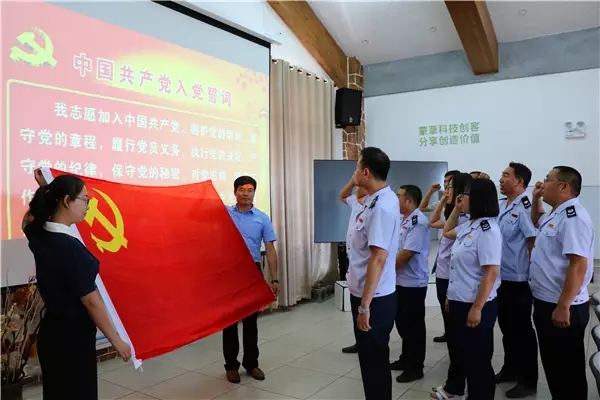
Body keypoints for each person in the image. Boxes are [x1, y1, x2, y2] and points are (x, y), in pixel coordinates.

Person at [24, 171, 131, 400]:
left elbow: (29, 220)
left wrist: (46, 190)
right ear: (66, 201)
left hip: (51, 335)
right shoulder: (69, 248)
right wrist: (116, 341)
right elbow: (91, 302)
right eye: (85, 199)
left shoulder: (39, 235)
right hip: (73, 341)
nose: (88, 206)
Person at [529, 166, 594, 400]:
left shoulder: (573, 217)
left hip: (562, 306)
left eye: (547, 180)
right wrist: (536, 198)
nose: (543, 183)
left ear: (563, 186)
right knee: (555, 367)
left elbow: (578, 264)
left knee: (567, 371)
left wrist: (563, 305)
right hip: (547, 301)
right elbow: (537, 219)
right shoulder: (557, 213)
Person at [347, 147, 401, 400]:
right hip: (364, 292)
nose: (355, 172)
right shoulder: (373, 200)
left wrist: (365, 306)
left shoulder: (382, 206)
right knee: (369, 360)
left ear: (366, 172)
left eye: (357, 167)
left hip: (374, 299)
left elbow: (378, 258)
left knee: (375, 361)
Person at [443, 178, 501, 400]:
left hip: (476, 304)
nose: (460, 197)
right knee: (465, 355)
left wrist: (477, 308)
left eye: (464, 194)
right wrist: (457, 209)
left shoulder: (488, 230)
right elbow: (447, 231)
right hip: (459, 300)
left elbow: (491, 272)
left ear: (476, 198)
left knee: (478, 360)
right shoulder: (469, 225)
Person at [223, 175, 279, 383]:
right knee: (229, 321)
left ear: (254, 193)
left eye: (249, 190)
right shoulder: (224, 214)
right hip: (228, 271)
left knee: (250, 322)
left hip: (252, 271)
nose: (245, 194)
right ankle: (231, 366)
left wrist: (275, 279)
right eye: (241, 190)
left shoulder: (262, 218)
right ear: (235, 192)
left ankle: (251, 363)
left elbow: (270, 249)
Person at [495, 162, 539, 398]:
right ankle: (510, 369)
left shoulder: (525, 207)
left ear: (520, 181)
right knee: (507, 329)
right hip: (502, 278)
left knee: (521, 332)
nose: (500, 179)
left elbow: (533, 243)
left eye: (506, 175)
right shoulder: (503, 205)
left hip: (519, 280)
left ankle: (528, 380)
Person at [429, 172, 473, 400]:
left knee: (458, 336)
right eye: (446, 186)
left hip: (452, 278)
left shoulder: (465, 219)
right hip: (444, 274)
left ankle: (456, 386)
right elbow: (433, 222)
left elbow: (446, 231)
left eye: (450, 187)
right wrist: (447, 202)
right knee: (453, 332)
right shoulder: (454, 214)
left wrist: (454, 206)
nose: (446, 190)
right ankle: (454, 383)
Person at [390, 184, 430, 383]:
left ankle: (415, 367)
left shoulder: (418, 221)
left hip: (413, 283)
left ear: (408, 200)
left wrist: (385, 270)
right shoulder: (401, 218)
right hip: (399, 280)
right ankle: (406, 359)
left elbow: (406, 254)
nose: (395, 199)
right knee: (402, 323)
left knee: (413, 327)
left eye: (399, 196)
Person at [420, 170, 461, 344]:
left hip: (453, 267)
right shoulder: (446, 207)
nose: (446, 186)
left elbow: (437, 224)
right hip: (442, 265)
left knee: (452, 308)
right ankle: (449, 334)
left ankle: (454, 338)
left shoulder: (462, 215)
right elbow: (423, 209)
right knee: (444, 305)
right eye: (445, 183)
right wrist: (439, 196)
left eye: (449, 184)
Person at [339, 177, 368, 354]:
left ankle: (367, 341)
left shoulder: (371, 206)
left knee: (366, 306)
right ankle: (359, 341)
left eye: (359, 186)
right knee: (355, 304)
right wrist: (352, 181)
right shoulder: (355, 202)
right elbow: (342, 195)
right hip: (353, 261)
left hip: (366, 264)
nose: (355, 189)